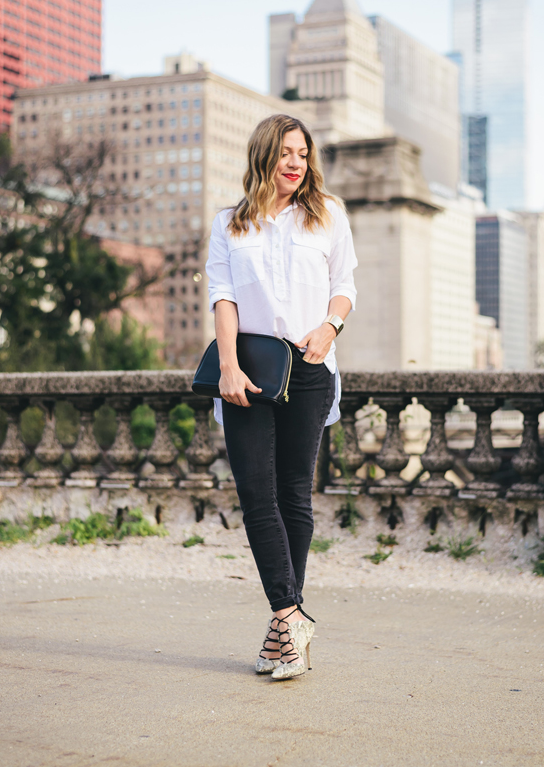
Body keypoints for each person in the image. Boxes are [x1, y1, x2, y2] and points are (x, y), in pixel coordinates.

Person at [206, 113, 357, 681]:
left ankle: (282, 633)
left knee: (294, 496)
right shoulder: (229, 224)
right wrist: (226, 366)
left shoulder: (327, 215)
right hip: (248, 370)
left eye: (303, 152)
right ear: (263, 155)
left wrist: (330, 328)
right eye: (285, 152)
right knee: (256, 495)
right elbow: (223, 297)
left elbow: (345, 285)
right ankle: (291, 616)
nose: (295, 162)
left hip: (312, 366)